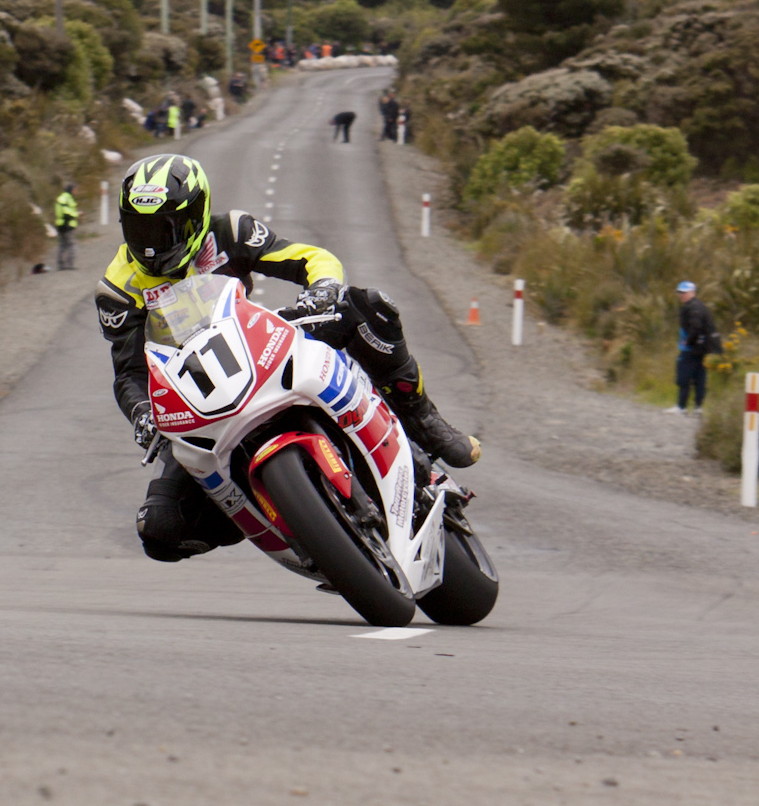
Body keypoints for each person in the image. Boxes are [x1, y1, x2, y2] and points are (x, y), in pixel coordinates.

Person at [94, 154, 481, 563]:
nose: (152, 243)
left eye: (165, 228)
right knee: (159, 531)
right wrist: (142, 414)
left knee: (369, 306)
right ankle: (283, 518)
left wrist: (323, 288)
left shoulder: (230, 232)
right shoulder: (117, 288)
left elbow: (310, 258)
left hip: (256, 344)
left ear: (197, 216)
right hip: (195, 395)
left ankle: (422, 420)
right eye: (139, 228)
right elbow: (129, 373)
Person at [665, 281, 718, 415]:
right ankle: (698, 408)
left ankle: (681, 406)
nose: (681, 295)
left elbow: (696, 327)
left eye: (684, 292)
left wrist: (688, 341)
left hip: (691, 349)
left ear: (692, 293)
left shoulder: (693, 307)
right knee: (699, 377)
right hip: (700, 349)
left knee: (684, 376)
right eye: (680, 292)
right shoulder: (700, 306)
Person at [54, 182, 79, 270]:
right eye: (75, 190)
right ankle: (70, 264)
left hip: (60, 224)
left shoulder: (61, 198)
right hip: (67, 225)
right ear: (71, 190)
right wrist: (77, 214)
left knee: (62, 245)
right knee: (71, 245)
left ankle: (60, 264)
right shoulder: (67, 199)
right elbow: (66, 212)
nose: (76, 192)